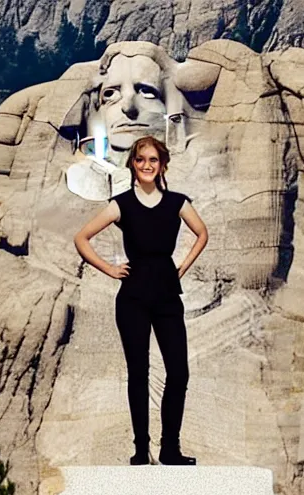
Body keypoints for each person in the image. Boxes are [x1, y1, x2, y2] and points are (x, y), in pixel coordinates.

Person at [73, 135, 208, 465]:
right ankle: (140, 449)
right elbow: (82, 237)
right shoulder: (121, 204)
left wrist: (182, 268)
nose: (147, 165)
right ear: (132, 164)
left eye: (153, 160)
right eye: (140, 160)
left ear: (162, 165)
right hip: (132, 298)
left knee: (179, 372)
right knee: (139, 372)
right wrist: (109, 269)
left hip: (167, 296)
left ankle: (170, 448)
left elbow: (202, 234)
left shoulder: (177, 202)